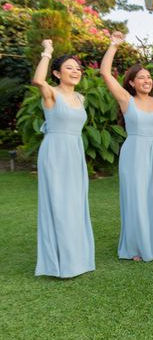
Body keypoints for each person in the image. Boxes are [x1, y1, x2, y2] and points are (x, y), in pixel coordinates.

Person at [100, 32, 153, 262]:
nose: (147, 81)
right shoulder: (127, 100)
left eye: (149, 77)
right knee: (136, 198)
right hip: (133, 153)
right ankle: (136, 247)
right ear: (131, 82)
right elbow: (105, 73)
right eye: (141, 78)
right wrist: (114, 45)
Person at [32, 40, 95, 278]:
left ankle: (78, 258)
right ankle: (58, 262)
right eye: (69, 68)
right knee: (58, 203)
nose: (75, 71)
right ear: (57, 73)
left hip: (75, 153)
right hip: (55, 153)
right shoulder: (51, 94)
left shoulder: (80, 98)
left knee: (75, 204)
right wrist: (47, 52)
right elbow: (38, 80)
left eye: (77, 68)